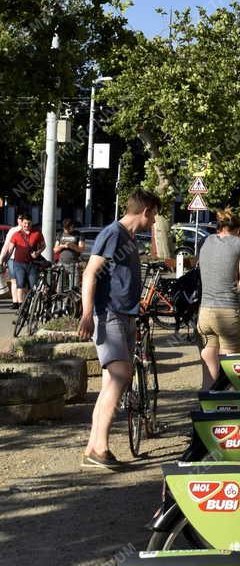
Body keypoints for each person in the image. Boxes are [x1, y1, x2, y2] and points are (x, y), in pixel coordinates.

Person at [77, 189, 161, 471]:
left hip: (123, 314)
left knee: (110, 384)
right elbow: (90, 273)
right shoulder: (114, 233)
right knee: (121, 374)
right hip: (108, 313)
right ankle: (100, 447)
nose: (155, 221)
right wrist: (87, 313)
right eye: (155, 214)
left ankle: (93, 446)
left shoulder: (127, 237)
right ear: (147, 210)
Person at [195, 208, 240, 389]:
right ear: (237, 229)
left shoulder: (206, 241)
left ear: (219, 227)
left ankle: (207, 408)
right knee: (231, 370)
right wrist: (235, 287)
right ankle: (230, 410)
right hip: (227, 313)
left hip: (204, 314)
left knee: (209, 368)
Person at [0, 212, 46, 305]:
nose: (26, 225)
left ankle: (32, 305)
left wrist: (37, 253)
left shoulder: (37, 233)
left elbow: (44, 246)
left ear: (31, 223)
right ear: (22, 223)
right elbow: (10, 249)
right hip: (18, 264)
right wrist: (5, 260)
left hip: (32, 264)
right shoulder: (16, 234)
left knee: (33, 285)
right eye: (25, 223)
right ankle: (21, 306)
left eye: (28, 223)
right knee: (19, 284)